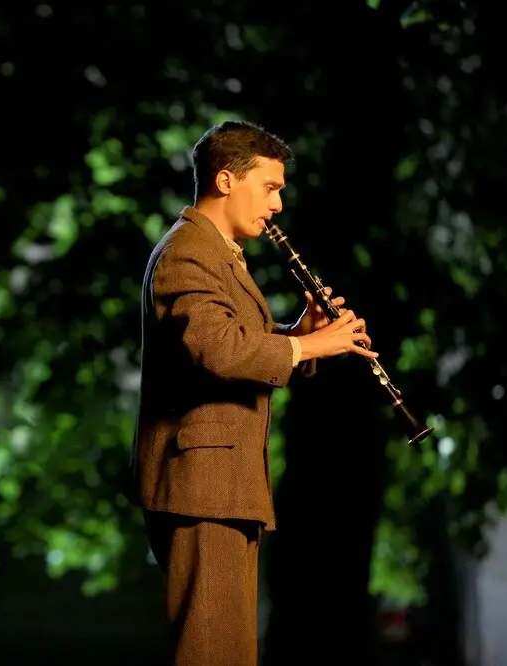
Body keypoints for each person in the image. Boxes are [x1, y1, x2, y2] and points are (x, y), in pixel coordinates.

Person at [130, 120, 378, 665]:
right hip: (201, 485)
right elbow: (216, 350)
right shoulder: (188, 253)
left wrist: (299, 336)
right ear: (225, 180)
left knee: (230, 650)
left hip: (222, 484)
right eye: (270, 187)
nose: (278, 205)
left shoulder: (216, 252)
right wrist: (312, 349)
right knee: (211, 651)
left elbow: (231, 342)